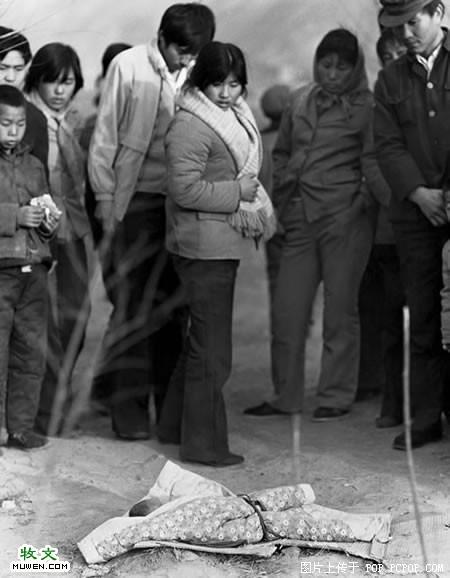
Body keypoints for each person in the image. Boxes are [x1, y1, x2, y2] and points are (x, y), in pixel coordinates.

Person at [246, 29, 389, 421]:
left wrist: (359, 203)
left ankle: (335, 395)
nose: (332, 74)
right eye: (326, 65)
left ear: (355, 69)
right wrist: (280, 203)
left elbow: (374, 159)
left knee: (340, 312)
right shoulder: (300, 100)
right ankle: (285, 396)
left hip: (346, 221)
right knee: (287, 311)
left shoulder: (368, 108)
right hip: (299, 218)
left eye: (342, 67)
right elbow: (283, 152)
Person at [88, 3, 216, 440]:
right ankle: (128, 415)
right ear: (161, 38)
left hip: (181, 206)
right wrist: (105, 199)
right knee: (133, 311)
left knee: (175, 311)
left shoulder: (198, 72)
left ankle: (169, 414)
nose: (186, 61)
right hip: (135, 203)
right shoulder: (128, 66)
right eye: (181, 51)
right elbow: (105, 137)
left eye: (194, 54)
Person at [157, 40, 275, 467]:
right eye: (217, 84)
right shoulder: (191, 124)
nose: (226, 93)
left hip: (215, 243)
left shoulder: (229, 115)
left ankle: (173, 426)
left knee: (201, 342)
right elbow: (184, 190)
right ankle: (202, 444)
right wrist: (238, 191)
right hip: (202, 247)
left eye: (234, 84)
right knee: (213, 350)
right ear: (199, 83)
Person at [374, 0, 450, 449]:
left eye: (413, 21)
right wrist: (420, 193)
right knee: (421, 316)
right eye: (397, 26)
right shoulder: (389, 80)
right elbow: (387, 145)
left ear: (438, 11)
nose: (405, 33)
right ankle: (425, 418)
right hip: (414, 214)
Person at [25, 42, 92, 435]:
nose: (59, 90)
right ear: (38, 80)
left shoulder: (75, 121)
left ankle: (54, 401)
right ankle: (45, 411)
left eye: (67, 82)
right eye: (52, 81)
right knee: (44, 324)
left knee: (76, 317)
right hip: (40, 231)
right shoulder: (29, 119)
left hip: (74, 228)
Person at [0, 85, 60, 450]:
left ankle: (20, 428)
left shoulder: (34, 165)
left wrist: (48, 222)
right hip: (2, 271)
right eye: (5, 123)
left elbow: (46, 206)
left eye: (19, 124)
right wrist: (14, 216)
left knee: (30, 352)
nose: (13, 131)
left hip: (34, 268)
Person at [0, 26, 48, 168]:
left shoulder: (35, 118)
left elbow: (39, 176)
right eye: (2, 68)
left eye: (18, 69)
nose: (11, 77)